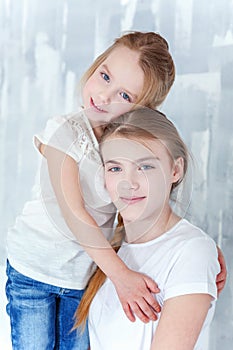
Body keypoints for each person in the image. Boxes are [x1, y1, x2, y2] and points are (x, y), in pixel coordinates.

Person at [5, 31, 226, 350]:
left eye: (125, 96)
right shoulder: (65, 132)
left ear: (142, 110)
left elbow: (141, 199)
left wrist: (201, 250)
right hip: (34, 270)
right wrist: (122, 277)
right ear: (95, 66)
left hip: (77, 278)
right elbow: (74, 214)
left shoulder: (121, 144)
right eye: (104, 76)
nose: (104, 95)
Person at [74, 107, 221, 350]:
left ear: (175, 170)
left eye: (145, 166)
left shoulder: (192, 251)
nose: (128, 183)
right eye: (115, 168)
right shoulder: (111, 254)